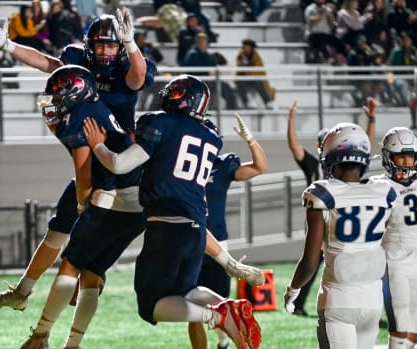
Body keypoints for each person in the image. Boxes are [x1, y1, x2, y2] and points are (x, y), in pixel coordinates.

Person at [0, 8, 156, 310]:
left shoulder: (127, 63)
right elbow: (49, 64)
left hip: (118, 160)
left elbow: (138, 77)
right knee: (58, 230)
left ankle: (90, 274)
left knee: (86, 239)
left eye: (110, 44)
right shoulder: (77, 66)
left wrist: (131, 44)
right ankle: (24, 292)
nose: (104, 50)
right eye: (99, 44)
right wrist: (9, 46)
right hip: (94, 151)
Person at [83, 75, 262, 349]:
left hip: (167, 227)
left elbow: (119, 165)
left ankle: (218, 316)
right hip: (196, 230)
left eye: (176, 92)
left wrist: (97, 145)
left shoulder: (161, 123)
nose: (170, 95)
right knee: (185, 292)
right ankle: (228, 308)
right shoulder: (211, 137)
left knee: (150, 305)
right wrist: (229, 263)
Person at [15, 64, 146, 349]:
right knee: (92, 274)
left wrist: (85, 207)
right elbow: (48, 107)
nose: (54, 100)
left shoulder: (81, 116)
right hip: (140, 203)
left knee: (71, 265)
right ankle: (73, 343)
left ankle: (39, 336)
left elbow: (84, 176)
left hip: (114, 196)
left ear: (75, 91)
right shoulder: (93, 106)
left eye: (59, 94)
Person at [284, 122, 396, 349]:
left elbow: (310, 261)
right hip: (372, 301)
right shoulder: (384, 192)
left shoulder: (322, 193)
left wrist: (292, 290)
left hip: (339, 300)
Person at [286, 99, 376, 316]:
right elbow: (295, 146)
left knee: (318, 262)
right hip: (326, 218)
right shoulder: (316, 165)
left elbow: (365, 146)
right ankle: (301, 304)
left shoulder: (344, 171)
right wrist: (290, 120)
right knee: (316, 261)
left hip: (337, 219)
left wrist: (371, 120)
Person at [189, 114, 268, 349]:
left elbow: (260, 167)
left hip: (216, 244)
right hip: (188, 240)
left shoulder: (222, 166)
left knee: (222, 304)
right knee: (192, 305)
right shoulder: (179, 164)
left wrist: (250, 139)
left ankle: (222, 341)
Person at [371, 127, 417, 349]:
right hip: (393, 261)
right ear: (388, 156)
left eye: (411, 156)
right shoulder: (379, 186)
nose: (407, 162)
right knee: (401, 325)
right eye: (401, 155)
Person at [236, 38, 275, 110]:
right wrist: (242, 64)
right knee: (239, 82)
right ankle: (246, 103)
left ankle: (267, 102)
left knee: (259, 82)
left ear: (251, 48)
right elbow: (238, 71)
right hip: (244, 79)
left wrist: (248, 70)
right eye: (245, 47)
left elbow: (259, 72)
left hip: (254, 79)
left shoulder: (257, 57)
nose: (246, 49)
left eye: (248, 47)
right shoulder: (240, 56)